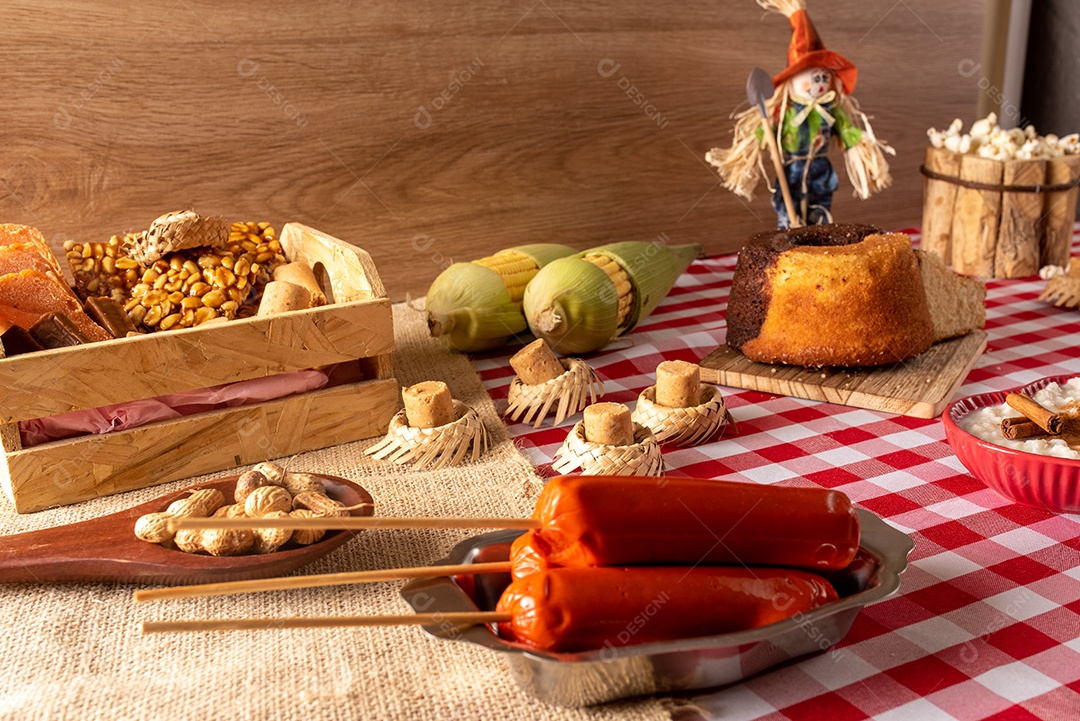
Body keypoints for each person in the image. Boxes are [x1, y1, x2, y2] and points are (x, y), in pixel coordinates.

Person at [707, 0, 893, 228]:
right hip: (792, 168)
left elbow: (847, 131)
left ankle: (817, 238)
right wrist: (750, 146)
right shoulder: (782, 112)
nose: (821, 84)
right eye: (815, 78)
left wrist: (862, 147)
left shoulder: (830, 111)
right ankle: (791, 237)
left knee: (820, 203)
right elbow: (764, 132)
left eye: (825, 77)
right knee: (789, 207)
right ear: (791, 81)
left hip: (820, 168)